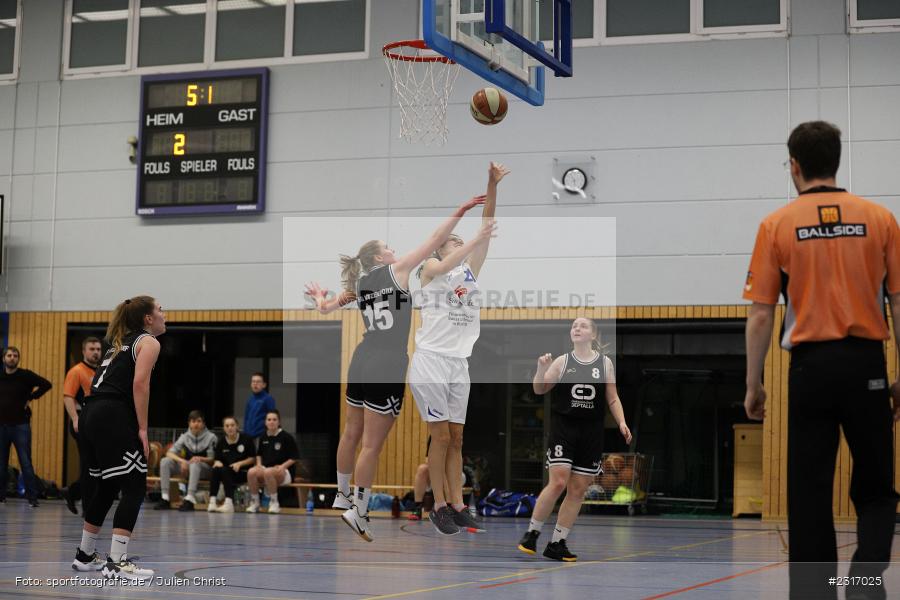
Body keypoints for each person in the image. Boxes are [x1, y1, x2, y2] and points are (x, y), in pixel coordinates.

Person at [743, 121, 900, 600]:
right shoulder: (880, 219)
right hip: (867, 366)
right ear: (836, 160)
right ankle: (863, 581)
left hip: (810, 370)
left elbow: (760, 315)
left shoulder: (776, 224)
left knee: (809, 494)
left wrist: (754, 384)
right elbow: (899, 302)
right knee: (877, 488)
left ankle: (815, 593)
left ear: (794, 166)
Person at [305, 189, 494, 542]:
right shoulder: (398, 270)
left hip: (361, 356)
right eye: (388, 247)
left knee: (350, 432)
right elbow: (435, 240)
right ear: (381, 256)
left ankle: (342, 494)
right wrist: (462, 209)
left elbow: (327, 308)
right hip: (388, 361)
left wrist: (320, 299)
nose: (394, 249)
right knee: (371, 445)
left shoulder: (360, 283)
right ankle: (359, 510)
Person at [409, 161, 509, 536]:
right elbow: (456, 251)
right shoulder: (429, 269)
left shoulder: (469, 272)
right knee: (441, 437)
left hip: (458, 364)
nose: (459, 242)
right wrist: (470, 240)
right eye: (454, 240)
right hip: (431, 362)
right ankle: (437, 505)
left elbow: (486, 225)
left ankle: (458, 503)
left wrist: (492, 184)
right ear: (441, 246)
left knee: (457, 438)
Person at [517, 317, 631, 561]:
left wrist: (622, 421)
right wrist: (540, 368)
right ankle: (532, 534)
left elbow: (612, 398)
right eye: (574, 326)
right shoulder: (562, 361)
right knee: (558, 482)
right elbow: (539, 389)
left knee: (578, 489)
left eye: (583, 326)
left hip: (591, 432)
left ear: (593, 334)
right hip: (564, 428)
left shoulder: (605, 363)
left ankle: (557, 543)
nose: (577, 328)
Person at [72, 296, 165, 581]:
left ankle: (85, 554)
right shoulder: (148, 341)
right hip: (112, 415)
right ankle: (117, 563)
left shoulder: (118, 342)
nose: (164, 314)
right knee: (135, 486)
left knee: (108, 485)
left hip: (90, 412)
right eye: (160, 309)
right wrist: (143, 428)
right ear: (148, 318)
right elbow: (140, 384)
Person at [0, 346, 53, 508]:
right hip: (1, 426)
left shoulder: (25, 375)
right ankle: (1, 497)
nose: (12, 358)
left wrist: (32, 396)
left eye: (15, 355)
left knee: (26, 462)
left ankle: (32, 498)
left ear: (18, 359)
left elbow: (46, 384)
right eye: (9, 355)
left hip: (20, 425)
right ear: (3, 358)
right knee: (1, 463)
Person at [61, 336, 102, 515]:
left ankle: (73, 492)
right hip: (82, 422)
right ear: (84, 351)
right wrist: (75, 419)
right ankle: (88, 508)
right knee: (88, 465)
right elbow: (68, 397)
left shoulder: (100, 371)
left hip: (97, 424)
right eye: (92, 349)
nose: (96, 352)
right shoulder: (76, 371)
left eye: (98, 349)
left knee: (97, 464)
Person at [154, 410, 217, 511]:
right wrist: (182, 461)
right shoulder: (184, 437)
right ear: (189, 423)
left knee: (195, 464)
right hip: (187, 467)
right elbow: (169, 453)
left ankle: (190, 499)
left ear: (203, 423)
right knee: (165, 461)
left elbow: (213, 459)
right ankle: (165, 498)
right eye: (193, 421)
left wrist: (200, 459)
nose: (196, 424)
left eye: (199, 421)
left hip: (205, 469)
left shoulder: (211, 437)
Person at [246, 410, 298, 514]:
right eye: (269, 419)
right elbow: (259, 454)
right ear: (265, 422)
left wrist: (282, 466)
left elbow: (294, 458)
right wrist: (259, 465)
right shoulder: (263, 437)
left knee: (268, 472)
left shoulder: (286, 437)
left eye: (274, 419)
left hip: (285, 471)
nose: (271, 422)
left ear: (279, 422)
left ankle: (274, 503)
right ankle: (255, 502)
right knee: (251, 472)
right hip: (267, 470)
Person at [207, 416, 255, 513]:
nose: (230, 428)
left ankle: (229, 503)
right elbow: (217, 459)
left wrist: (240, 463)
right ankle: (212, 502)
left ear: (237, 426)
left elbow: (252, 458)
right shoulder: (221, 442)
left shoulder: (246, 439)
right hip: (227, 472)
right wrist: (217, 462)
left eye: (232, 425)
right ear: (224, 428)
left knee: (225, 470)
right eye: (227, 426)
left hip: (243, 472)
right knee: (216, 469)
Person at [243, 373, 275, 438]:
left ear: (264, 385)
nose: (255, 384)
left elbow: (272, 418)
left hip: (261, 436)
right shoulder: (250, 399)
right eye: (253, 381)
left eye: (258, 382)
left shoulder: (268, 399)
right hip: (248, 435)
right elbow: (246, 418)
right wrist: (245, 432)